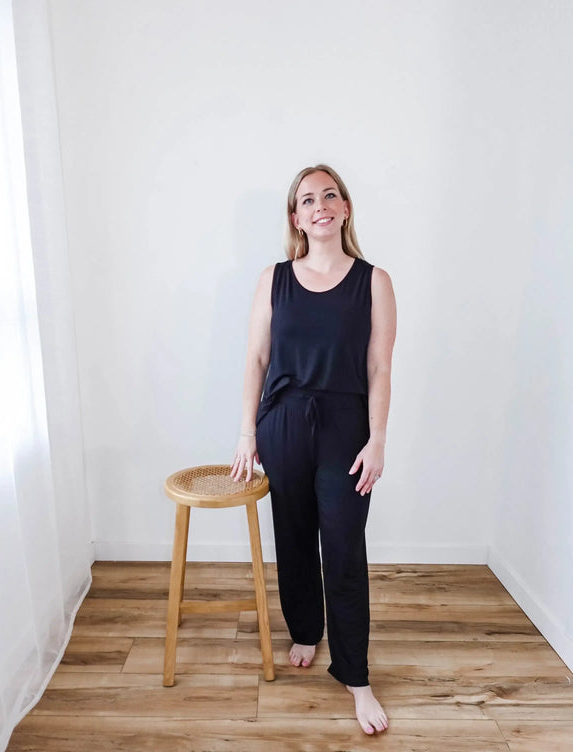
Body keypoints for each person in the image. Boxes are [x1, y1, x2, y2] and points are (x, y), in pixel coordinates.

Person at [230, 164, 397, 736]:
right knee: (294, 535)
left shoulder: (373, 281)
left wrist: (377, 439)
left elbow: (379, 368)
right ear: (295, 218)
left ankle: (355, 676)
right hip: (283, 422)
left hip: (345, 427)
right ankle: (305, 629)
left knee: (344, 548)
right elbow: (256, 358)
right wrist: (248, 432)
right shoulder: (274, 279)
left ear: (345, 208)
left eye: (330, 195)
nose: (319, 205)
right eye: (307, 200)